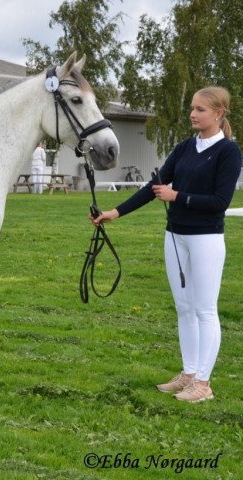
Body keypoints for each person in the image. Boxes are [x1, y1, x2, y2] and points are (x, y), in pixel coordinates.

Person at [91, 86, 242, 403]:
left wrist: (178, 197)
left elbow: (218, 202)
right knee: (184, 309)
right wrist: (115, 213)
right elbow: (153, 187)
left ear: (218, 113)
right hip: (175, 236)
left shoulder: (229, 152)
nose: (193, 114)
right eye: (191, 108)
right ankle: (188, 374)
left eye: (200, 109)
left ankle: (203, 383)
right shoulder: (185, 147)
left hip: (205, 238)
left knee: (204, 310)